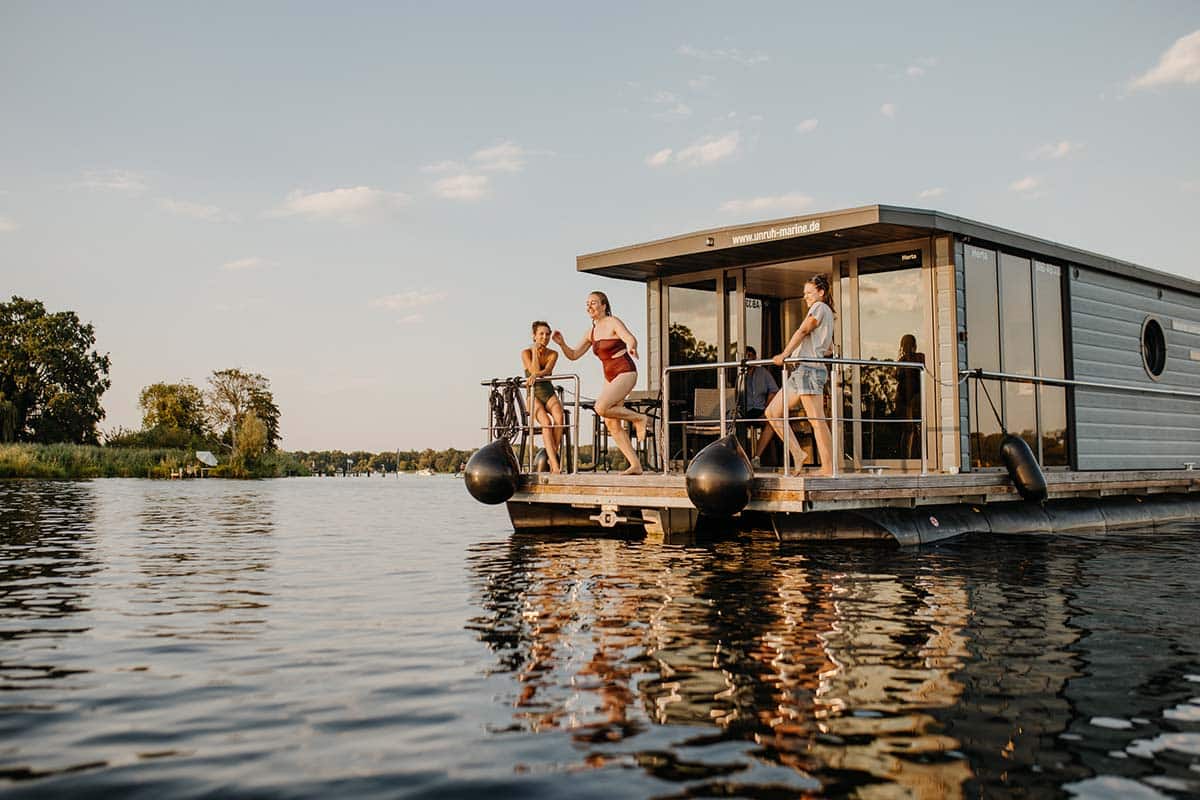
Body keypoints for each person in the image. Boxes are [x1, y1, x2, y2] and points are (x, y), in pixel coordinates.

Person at [552, 291, 649, 475]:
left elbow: (629, 337)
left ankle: (639, 418)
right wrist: (562, 344)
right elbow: (573, 355)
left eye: (594, 302)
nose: (589, 306)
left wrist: (631, 345)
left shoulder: (613, 322)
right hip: (610, 377)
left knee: (601, 407)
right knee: (611, 424)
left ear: (604, 305)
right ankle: (635, 465)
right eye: (587, 303)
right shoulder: (591, 332)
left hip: (625, 371)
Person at [761, 274, 835, 474]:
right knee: (772, 413)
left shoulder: (820, 308)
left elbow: (803, 330)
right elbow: (827, 347)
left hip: (810, 370)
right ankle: (798, 453)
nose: (806, 297)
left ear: (821, 292)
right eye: (804, 294)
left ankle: (828, 467)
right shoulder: (823, 312)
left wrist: (784, 354)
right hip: (800, 370)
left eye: (809, 293)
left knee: (816, 419)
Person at [522, 320, 564, 473]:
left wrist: (536, 375)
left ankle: (551, 454)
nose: (545, 337)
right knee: (546, 422)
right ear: (534, 336)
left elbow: (546, 371)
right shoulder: (525, 352)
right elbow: (532, 368)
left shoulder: (553, 353)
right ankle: (554, 463)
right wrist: (534, 351)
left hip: (548, 391)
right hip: (533, 395)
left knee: (559, 418)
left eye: (547, 334)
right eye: (541, 334)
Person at [739, 346, 779, 463]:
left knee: (772, 422)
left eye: (750, 356)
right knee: (733, 423)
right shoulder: (739, 373)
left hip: (760, 409)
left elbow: (774, 391)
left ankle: (756, 457)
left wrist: (767, 410)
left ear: (755, 357)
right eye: (746, 356)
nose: (748, 359)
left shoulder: (763, 372)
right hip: (744, 410)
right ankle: (739, 460)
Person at [895, 333, 926, 460]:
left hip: (907, 398)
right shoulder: (920, 358)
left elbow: (897, 378)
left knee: (909, 431)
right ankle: (915, 459)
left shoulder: (902, 362)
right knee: (915, 429)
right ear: (915, 345)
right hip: (910, 398)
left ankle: (908, 459)